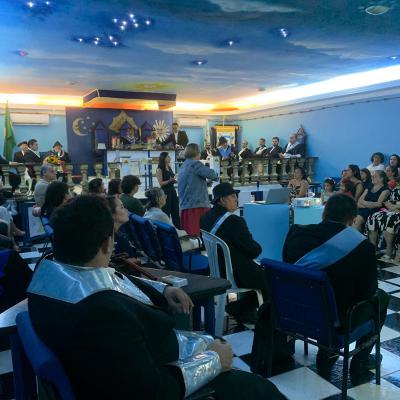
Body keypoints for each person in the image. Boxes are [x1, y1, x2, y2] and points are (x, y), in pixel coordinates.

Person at [27, 195, 285, 400]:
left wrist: (162, 289)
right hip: (165, 367)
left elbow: (112, 278)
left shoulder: (52, 272)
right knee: (259, 390)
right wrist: (213, 361)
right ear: (106, 244)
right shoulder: (103, 314)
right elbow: (151, 391)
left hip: (143, 355)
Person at [283, 194, 389, 378]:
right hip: (334, 322)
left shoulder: (296, 233)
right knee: (381, 298)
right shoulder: (362, 247)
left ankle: (328, 351)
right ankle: (360, 360)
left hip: (293, 313)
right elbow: (367, 291)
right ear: (353, 220)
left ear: (323, 213)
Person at [201, 183, 267, 321]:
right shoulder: (234, 221)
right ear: (222, 200)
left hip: (217, 270)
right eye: (232, 196)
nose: (236, 199)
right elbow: (253, 251)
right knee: (273, 281)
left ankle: (244, 311)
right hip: (236, 273)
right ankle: (241, 309)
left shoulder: (205, 218)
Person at [178, 143, 218, 236]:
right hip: (197, 206)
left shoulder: (183, 165)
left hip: (185, 205)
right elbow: (212, 174)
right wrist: (216, 175)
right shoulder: (196, 164)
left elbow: (190, 182)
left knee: (188, 235)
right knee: (199, 234)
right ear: (197, 153)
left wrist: (205, 183)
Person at [144, 188, 199, 252]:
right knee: (196, 242)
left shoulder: (147, 213)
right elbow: (176, 233)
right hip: (167, 248)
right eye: (164, 195)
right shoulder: (161, 215)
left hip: (156, 245)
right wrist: (185, 233)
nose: (166, 197)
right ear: (159, 199)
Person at [367, 181, 400, 261]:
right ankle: (373, 249)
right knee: (373, 217)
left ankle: (389, 250)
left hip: (396, 211)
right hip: (392, 209)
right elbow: (387, 201)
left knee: (390, 219)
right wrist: (392, 207)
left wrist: (395, 207)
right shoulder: (396, 188)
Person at [156, 152, 180, 228]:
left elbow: (172, 177)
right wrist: (169, 181)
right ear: (164, 158)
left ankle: (178, 226)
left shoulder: (169, 167)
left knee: (175, 209)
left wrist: (174, 180)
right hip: (165, 192)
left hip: (172, 190)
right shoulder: (159, 169)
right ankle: (166, 227)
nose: (170, 158)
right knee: (166, 210)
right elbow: (161, 183)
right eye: (168, 157)